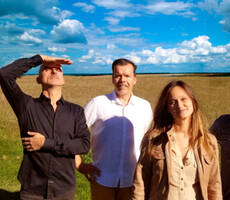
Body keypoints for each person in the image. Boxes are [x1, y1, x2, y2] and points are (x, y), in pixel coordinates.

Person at [0, 55, 90, 200]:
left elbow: (84, 145)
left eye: (58, 69)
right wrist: (40, 59)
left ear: (64, 80)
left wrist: (45, 143)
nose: (54, 71)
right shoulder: (26, 106)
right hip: (32, 191)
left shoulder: (76, 111)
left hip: (64, 191)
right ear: (38, 79)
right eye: (47, 68)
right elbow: (4, 74)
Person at [75, 58, 152, 200]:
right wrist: (78, 163)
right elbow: (74, 133)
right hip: (102, 178)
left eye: (127, 76)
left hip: (133, 180)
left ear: (135, 79)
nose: (122, 80)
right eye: (118, 75)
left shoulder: (145, 107)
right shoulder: (97, 103)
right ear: (112, 78)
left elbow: (150, 141)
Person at [131, 80, 222, 200]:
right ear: (167, 108)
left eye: (184, 99)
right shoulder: (153, 140)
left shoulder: (208, 142)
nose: (179, 105)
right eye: (172, 102)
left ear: (193, 102)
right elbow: (140, 181)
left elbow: (214, 185)